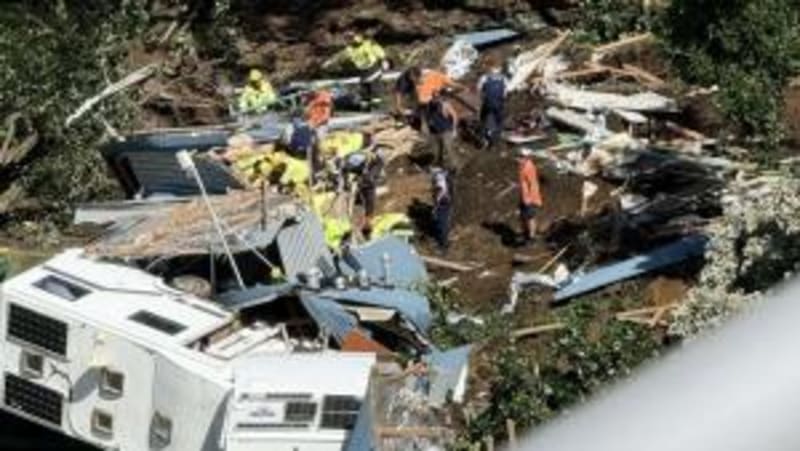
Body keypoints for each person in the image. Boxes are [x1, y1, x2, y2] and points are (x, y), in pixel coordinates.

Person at [325, 32, 389, 107]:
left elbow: (379, 51)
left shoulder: (368, 44)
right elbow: (340, 56)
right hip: (363, 70)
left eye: (353, 37)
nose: (353, 40)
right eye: (350, 39)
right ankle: (365, 103)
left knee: (374, 86)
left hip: (373, 67)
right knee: (364, 87)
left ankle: (376, 103)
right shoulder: (349, 49)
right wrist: (329, 62)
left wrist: (384, 60)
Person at [477, 56, 508, 149]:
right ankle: (494, 141)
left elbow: (478, 89)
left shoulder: (484, 77)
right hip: (499, 103)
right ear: (498, 67)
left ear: (489, 66)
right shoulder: (503, 78)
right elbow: (506, 92)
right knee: (499, 122)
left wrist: (483, 97)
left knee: (483, 120)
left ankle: (484, 139)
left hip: (487, 103)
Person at [424, 95, 459, 169]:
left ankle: (454, 166)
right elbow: (427, 116)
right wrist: (428, 126)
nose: (436, 100)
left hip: (446, 130)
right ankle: (438, 163)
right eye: (434, 98)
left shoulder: (445, 105)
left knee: (448, 148)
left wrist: (454, 129)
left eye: (437, 98)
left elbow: (454, 115)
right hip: (434, 131)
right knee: (437, 149)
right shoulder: (429, 105)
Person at [517, 147, 543, 244]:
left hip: (530, 198)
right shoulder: (522, 166)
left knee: (530, 217)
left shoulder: (529, 167)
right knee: (523, 216)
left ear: (527, 157)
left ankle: (532, 237)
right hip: (524, 196)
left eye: (522, 156)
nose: (519, 158)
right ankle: (525, 233)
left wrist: (530, 199)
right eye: (520, 155)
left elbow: (533, 184)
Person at [431, 167, 453, 255]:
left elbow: (439, 191)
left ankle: (443, 247)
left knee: (441, 224)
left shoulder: (439, 180)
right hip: (446, 202)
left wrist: (435, 206)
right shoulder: (446, 178)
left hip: (442, 203)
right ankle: (444, 243)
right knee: (443, 223)